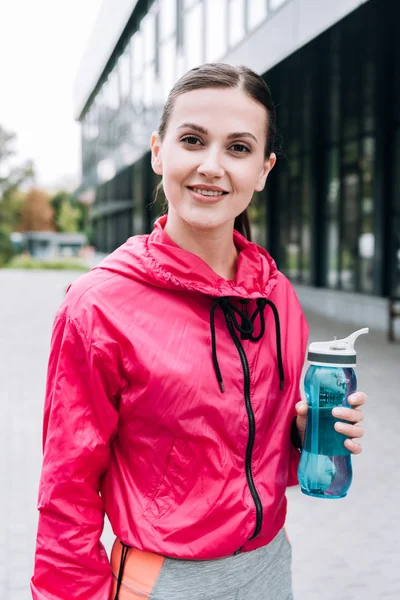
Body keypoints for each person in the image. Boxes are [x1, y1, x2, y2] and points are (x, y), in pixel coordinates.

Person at [31, 63, 366, 600]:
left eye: (238, 148)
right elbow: (65, 493)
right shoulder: (99, 306)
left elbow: (245, 455)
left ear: (263, 168)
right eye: (193, 140)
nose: (212, 166)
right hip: (162, 582)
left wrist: (304, 439)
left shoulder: (277, 298)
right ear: (159, 151)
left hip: (269, 570)